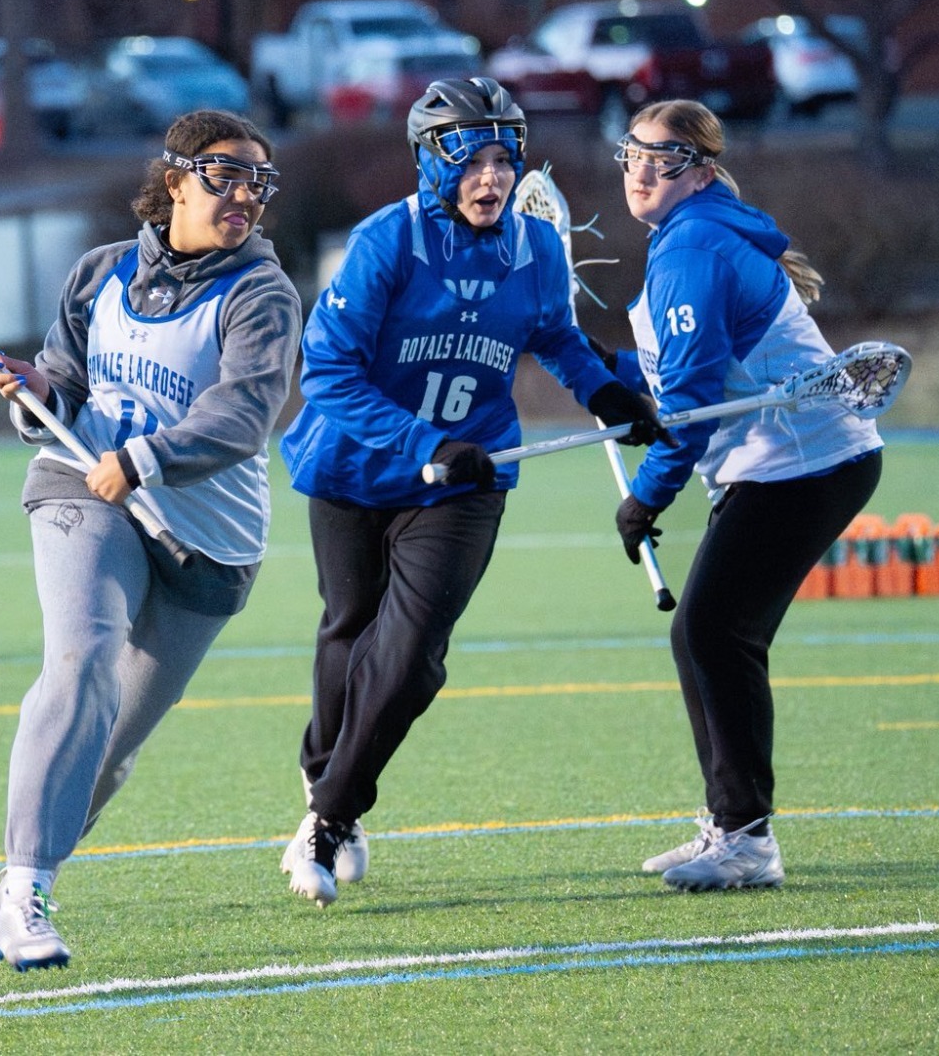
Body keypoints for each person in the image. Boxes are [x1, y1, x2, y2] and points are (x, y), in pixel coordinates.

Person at [276, 76, 667, 906]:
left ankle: (329, 815)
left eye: (502, 160)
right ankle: (326, 787)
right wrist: (425, 444)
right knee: (351, 628)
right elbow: (328, 372)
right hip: (357, 465)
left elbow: (554, 335)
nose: (491, 180)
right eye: (471, 163)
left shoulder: (535, 247)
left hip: (468, 480)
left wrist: (607, 395)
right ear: (432, 164)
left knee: (413, 656)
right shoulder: (388, 241)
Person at [0, 110, 302, 969]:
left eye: (258, 181)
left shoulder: (261, 294)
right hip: (86, 491)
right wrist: (32, 387)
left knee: (108, 748)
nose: (244, 196)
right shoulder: (99, 273)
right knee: (82, 663)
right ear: (177, 179)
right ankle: (25, 886)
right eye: (225, 176)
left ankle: (28, 862)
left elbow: (242, 414)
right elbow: (65, 385)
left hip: (209, 543)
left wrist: (145, 456)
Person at [602, 99, 883, 892]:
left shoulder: (694, 246)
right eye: (634, 154)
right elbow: (682, 375)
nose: (643, 171)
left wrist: (647, 497)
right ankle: (730, 822)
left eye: (665, 158)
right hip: (786, 462)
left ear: (701, 170)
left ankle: (747, 837)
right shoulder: (692, 236)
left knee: (715, 633)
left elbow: (687, 403)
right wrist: (607, 374)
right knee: (703, 635)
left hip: (805, 462)